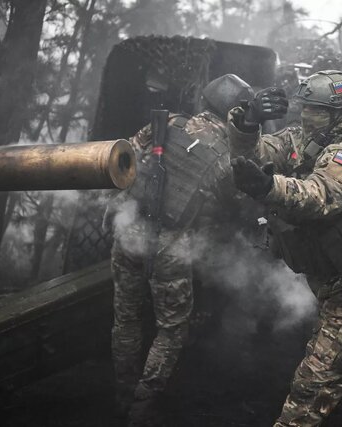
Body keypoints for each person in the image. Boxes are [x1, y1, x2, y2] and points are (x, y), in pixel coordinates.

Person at [228, 70, 342, 426]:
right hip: (332, 281)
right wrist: (248, 122)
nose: (306, 115)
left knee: (309, 392)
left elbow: (320, 196)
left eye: (316, 109)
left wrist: (268, 187)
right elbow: (259, 151)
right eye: (305, 107)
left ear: (341, 113)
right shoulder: (305, 137)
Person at [104, 74, 254, 426]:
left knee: (125, 319)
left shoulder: (167, 122)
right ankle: (142, 408)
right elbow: (233, 205)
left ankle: (123, 394)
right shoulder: (225, 155)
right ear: (237, 114)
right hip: (171, 245)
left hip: (129, 230)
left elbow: (125, 155)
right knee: (170, 330)